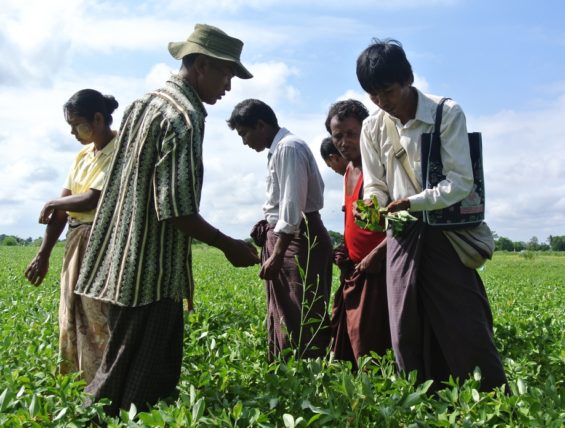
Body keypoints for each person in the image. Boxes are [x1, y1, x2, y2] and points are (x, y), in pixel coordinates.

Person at [74, 24, 260, 415]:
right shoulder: (186, 116)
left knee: (118, 369)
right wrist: (230, 246)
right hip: (151, 275)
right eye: (227, 73)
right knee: (136, 387)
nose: (229, 85)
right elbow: (176, 208)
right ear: (202, 66)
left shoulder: (144, 103)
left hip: (118, 264)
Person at [356, 39, 508, 391]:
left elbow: (460, 181)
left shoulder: (445, 113)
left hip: (443, 234)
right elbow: (375, 183)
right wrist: (374, 205)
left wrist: (413, 202)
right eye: (373, 95)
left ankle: (490, 399)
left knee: (463, 325)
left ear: (408, 78)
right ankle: (422, 399)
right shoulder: (373, 126)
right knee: (405, 325)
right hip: (402, 236)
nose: (382, 102)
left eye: (388, 91)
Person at [24, 89, 118, 383]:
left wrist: (55, 202)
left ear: (98, 119)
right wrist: (43, 254)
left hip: (101, 241)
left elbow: (91, 198)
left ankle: (102, 388)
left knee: (96, 318)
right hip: (76, 241)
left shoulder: (118, 151)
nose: (73, 132)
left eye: (77, 124)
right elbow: (62, 211)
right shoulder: (82, 155)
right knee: (70, 313)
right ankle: (75, 384)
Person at [228, 99, 332, 360]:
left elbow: (291, 205)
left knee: (301, 312)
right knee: (286, 310)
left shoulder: (288, 148)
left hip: (297, 239)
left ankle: (306, 376)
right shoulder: (279, 149)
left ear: (261, 125)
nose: (244, 142)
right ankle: (288, 372)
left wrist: (277, 253)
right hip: (290, 238)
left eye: (245, 133)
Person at [324, 99, 391, 367]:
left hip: (379, 269)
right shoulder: (349, 170)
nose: (343, 142)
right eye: (337, 136)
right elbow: (362, 222)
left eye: (351, 134)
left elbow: (397, 223)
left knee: (372, 343)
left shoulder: (381, 167)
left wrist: (378, 253)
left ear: (367, 130)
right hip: (356, 268)